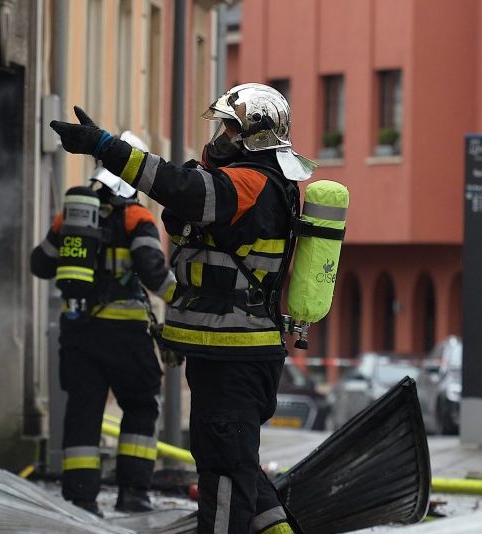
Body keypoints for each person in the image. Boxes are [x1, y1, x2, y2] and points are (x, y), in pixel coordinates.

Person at [50, 84, 315, 533]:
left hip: (235, 354)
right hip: (226, 352)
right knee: (234, 466)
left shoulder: (251, 183)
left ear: (254, 134)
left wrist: (104, 147)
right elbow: (185, 207)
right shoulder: (252, 182)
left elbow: (181, 189)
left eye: (228, 127)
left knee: (225, 476)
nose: (219, 137)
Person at [29, 133, 178, 517]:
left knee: (83, 410)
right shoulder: (137, 217)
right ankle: (133, 493)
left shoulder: (74, 217)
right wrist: (187, 301)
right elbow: (153, 272)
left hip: (78, 331)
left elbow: (40, 264)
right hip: (126, 335)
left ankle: (81, 499)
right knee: (141, 405)